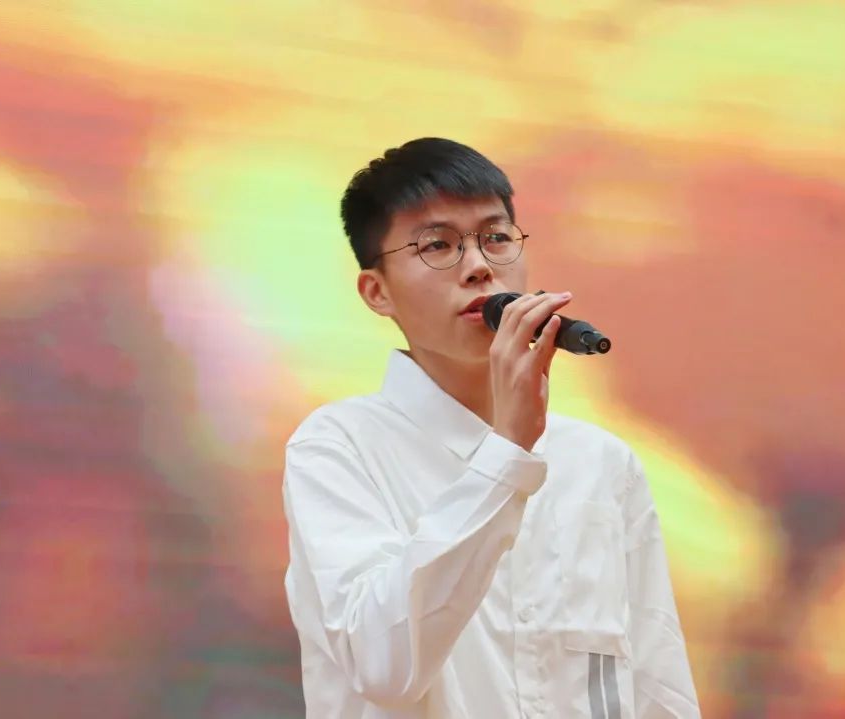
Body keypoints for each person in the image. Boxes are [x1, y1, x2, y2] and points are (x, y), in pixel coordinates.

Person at [282, 137, 699, 718]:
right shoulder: (338, 446)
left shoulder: (601, 462)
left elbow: (658, 687)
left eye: (496, 238)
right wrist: (507, 452)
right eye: (438, 245)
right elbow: (383, 666)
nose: (479, 266)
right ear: (377, 291)